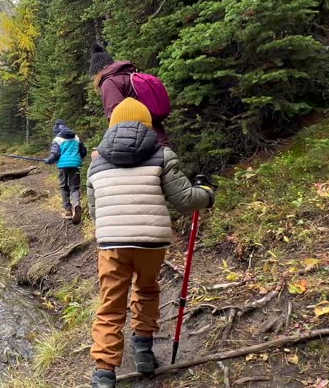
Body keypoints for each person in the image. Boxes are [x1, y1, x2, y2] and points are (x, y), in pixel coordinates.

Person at [86, 98, 214, 388]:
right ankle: (143, 353)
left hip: (111, 242)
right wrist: (206, 193)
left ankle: (104, 373)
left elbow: (95, 212)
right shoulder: (163, 155)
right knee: (146, 289)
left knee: (110, 305)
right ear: (149, 125)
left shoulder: (96, 165)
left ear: (112, 125)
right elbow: (184, 200)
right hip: (151, 242)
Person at [89, 43, 170, 147]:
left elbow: (116, 117)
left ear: (98, 71)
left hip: (138, 144)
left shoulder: (109, 82)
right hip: (158, 138)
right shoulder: (128, 76)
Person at [44, 119, 87, 224]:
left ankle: (68, 210)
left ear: (56, 129)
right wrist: (76, 158)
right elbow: (83, 151)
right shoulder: (76, 137)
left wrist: (49, 160)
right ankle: (76, 203)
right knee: (74, 187)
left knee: (64, 186)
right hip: (75, 165)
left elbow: (56, 154)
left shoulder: (57, 139)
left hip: (63, 165)